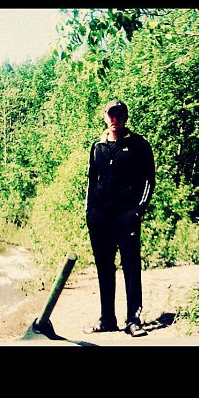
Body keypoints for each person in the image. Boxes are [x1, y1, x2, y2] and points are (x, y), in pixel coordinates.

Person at [84, 98, 156, 338]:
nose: (115, 119)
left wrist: (138, 210)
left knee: (131, 267)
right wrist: (89, 212)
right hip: (100, 216)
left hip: (126, 215)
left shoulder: (139, 145)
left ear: (125, 117)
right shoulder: (97, 146)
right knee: (104, 267)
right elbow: (91, 181)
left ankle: (133, 320)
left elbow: (149, 180)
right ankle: (107, 319)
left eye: (120, 115)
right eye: (111, 115)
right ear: (105, 117)